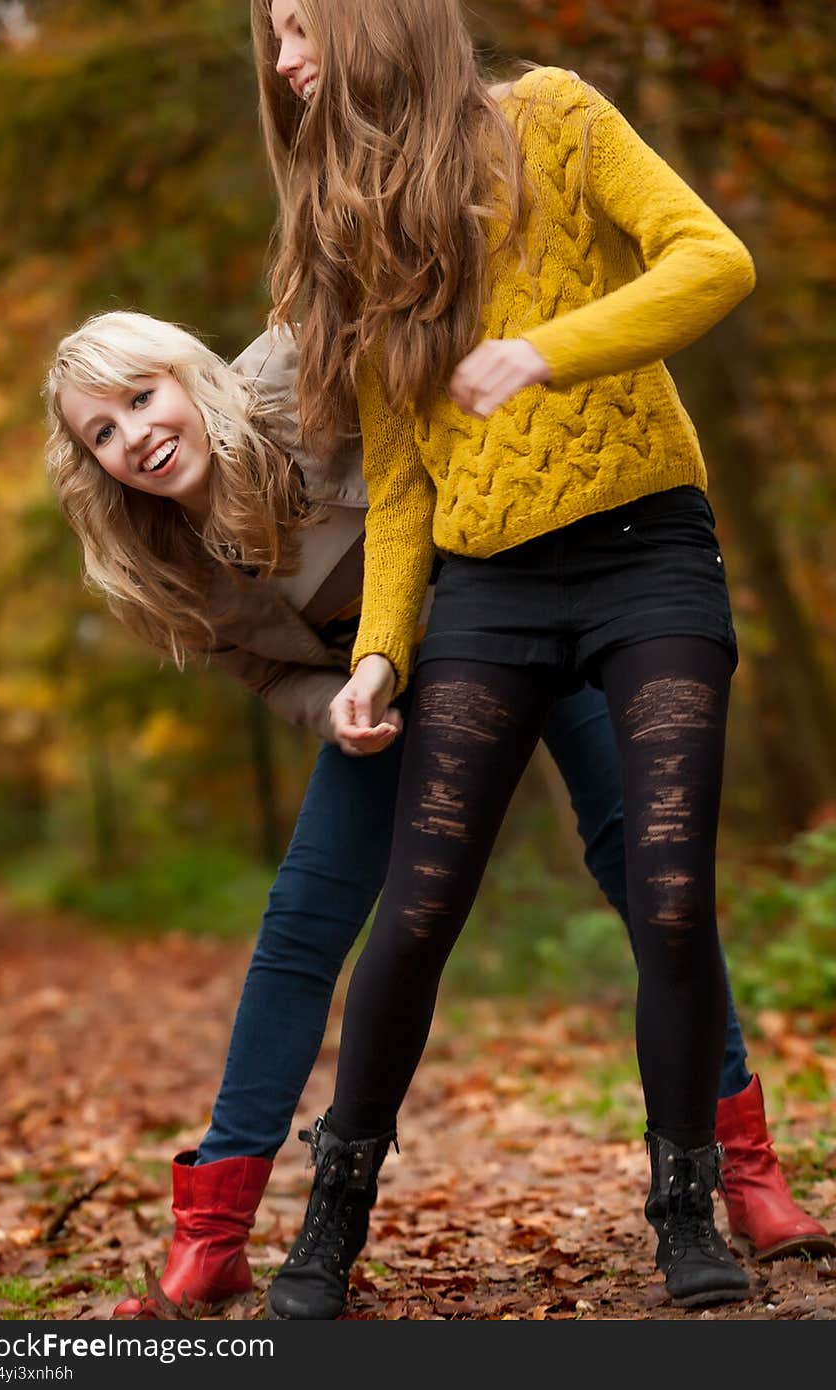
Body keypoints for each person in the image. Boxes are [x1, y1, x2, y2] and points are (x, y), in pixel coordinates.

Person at [44, 312, 831, 1322]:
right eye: (100, 432)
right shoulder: (155, 558)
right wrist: (330, 710)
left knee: (650, 877)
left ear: (184, 373)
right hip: (386, 703)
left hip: (519, 615)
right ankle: (211, 1236)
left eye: (140, 396)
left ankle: (742, 1170)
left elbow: (416, 358)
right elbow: (258, 665)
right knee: (300, 928)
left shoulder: (296, 374)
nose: (134, 437)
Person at [252, 0, 833, 1317]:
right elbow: (401, 487)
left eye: (297, 27)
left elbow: (714, 258)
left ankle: (686, 1201)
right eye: (273, 37)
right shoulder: (357, 232)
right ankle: (331, 1218)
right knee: (418, 908)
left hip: (649, 556)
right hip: (491, 590)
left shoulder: (558, 118)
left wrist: (546, 349)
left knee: (672, 890)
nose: (285, 63)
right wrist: (382, 653)